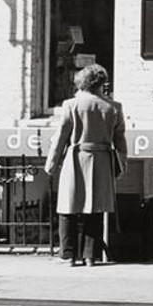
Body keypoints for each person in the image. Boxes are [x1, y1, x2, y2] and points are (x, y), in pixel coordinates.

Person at [44, 64, 127, 266]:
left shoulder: (71, 105)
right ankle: (90, 255)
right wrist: (121, 165)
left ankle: (69, 255)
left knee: (68, 207)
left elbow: (61, 137)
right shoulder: (114, 107)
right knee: (95, 209)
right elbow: (120, 140)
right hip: (102, 159)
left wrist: (51, 163)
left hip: (76, 157)